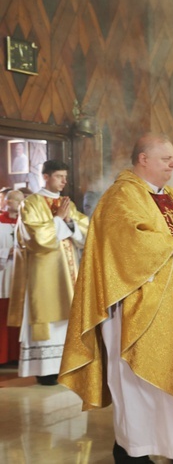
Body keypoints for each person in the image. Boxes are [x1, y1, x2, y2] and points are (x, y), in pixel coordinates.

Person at [59, 134, 173, 463]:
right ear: (143, 160)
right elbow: (121, 244)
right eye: (166, 158)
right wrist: (172, 246)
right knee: (139, 387)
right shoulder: (121, 197)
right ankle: (131, 452)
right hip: (137, 315)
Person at [8, 160, 88, 385]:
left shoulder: (66, 203)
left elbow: (85, 229)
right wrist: (58, 220)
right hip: (43, 274)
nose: (64, 181)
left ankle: (67, 366)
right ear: (45, 177)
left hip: (68, 271)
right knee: (47, 317)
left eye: (65, 177)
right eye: (59, 176)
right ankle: (46, 370)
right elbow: (35, 237)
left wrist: (70, 222)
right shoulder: (30, 203)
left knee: (68, 318)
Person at [0, 190, 22, 365]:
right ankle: (3, 356)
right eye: (15, 200)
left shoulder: (27, 222)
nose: (19, 204)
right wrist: (8, 251)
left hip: (22, 276)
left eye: (21, 200)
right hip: (3, 274)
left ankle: (18, 356)